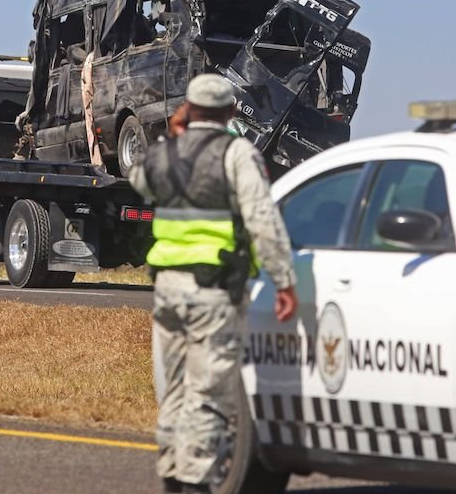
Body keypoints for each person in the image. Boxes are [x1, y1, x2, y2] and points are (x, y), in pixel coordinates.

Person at [129, 74, 298, 494]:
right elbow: (262, 218)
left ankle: (171, 477)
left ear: (187, 108)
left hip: (167, 288)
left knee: (175, 390)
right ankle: (197, 483)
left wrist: (173, 134)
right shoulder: (237, 153)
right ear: (231, 111)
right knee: (208, 394)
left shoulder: (162, 153)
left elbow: (139, 181)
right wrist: (284, 280)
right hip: (214, 292)